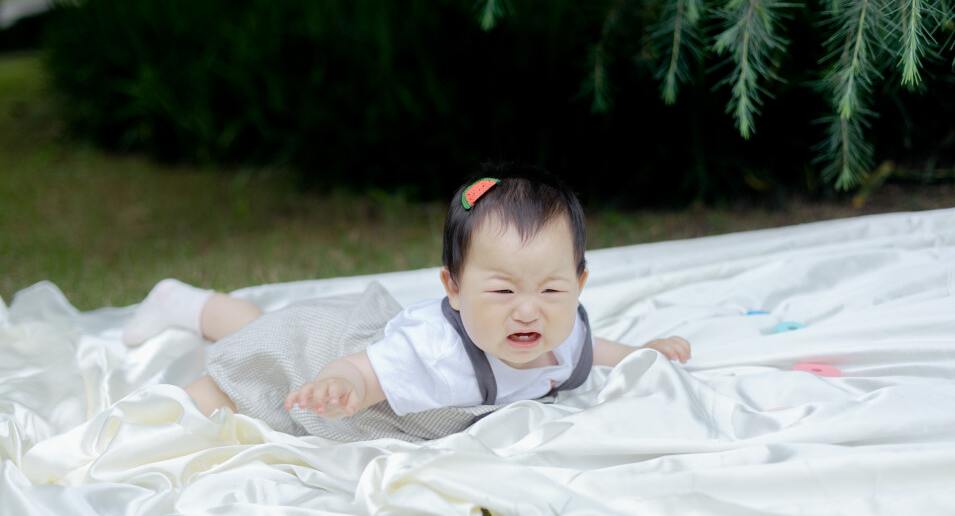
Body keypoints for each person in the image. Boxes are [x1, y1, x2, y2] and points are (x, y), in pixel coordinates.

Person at [123, 162, 691, 441]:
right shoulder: (437, 351)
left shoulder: (557, 325)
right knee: (238, 381)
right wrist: (341, 385)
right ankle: (133, 418)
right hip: (322, 358)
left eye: (551, 289)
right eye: (501, 290)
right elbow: (363, 372)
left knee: (259, 324)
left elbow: (588, 347)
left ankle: (183, 301)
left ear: (580, 283)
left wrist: (641, 350)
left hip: (349, 340)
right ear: (453, 289)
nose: (528, 310)